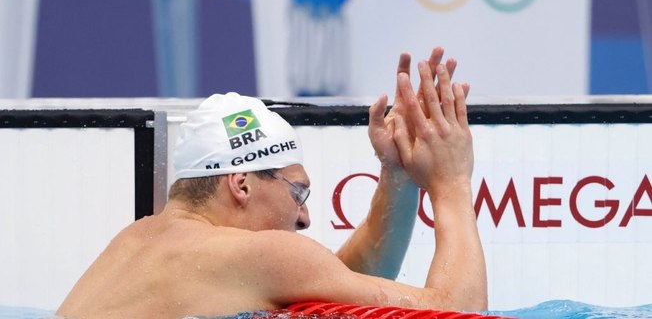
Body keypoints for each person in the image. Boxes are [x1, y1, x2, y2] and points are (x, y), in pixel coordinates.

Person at [56, 48, 487, 319]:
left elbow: (341, 282)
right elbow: (461, 313)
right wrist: (450, 182)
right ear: (241, 184)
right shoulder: (257, 256)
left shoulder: (134, 242)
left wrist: (398, 176)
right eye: (297, 192)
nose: (304, 217)